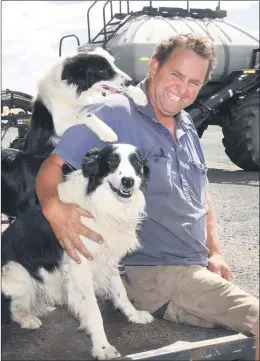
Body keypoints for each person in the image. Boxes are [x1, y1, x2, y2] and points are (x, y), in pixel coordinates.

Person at [35, 33, 259, 359]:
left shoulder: (186, 127)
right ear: (154, 67)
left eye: (194, 82)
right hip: (156, 274)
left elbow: (202, 197)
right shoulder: (114, 112)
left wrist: (215, 251)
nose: (183, 89)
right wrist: (54, 208)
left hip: (193, 271)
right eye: (176, 75)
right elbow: (51, 167)